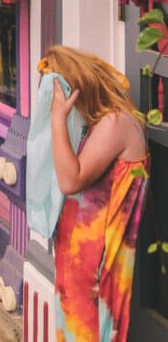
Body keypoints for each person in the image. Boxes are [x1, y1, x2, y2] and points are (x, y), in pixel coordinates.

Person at [41, 45, 149, 342]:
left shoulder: (116, 123)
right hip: (82, 261)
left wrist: (56, 119)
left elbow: (70, 181)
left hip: (95, 267)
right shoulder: (103, 123)